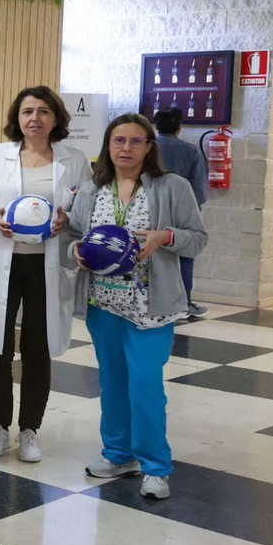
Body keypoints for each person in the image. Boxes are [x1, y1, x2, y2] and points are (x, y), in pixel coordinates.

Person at [70, 113, 207, 500]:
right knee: (113, 382)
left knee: (145, 385)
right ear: (108, 146)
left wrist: (166, 237)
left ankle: (156, 467)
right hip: (103, 303)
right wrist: (76, 250)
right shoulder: (92, 189)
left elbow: (197, 238)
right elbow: (73, 235)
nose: (126, 148)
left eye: (135, 141)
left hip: (151, 306)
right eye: (118, 140)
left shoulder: (172, 187)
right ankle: (118, 454)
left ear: (149, 147)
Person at [0, 86, 91, 463]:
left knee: (38, 348)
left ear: (56, 118)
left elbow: (85, 209)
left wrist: (67, 220)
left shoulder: (74, 160)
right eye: (27, 111)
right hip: (3, 261)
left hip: (47, 265)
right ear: (17, 117)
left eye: (43, 111)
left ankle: (29, 429)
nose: (34, 118)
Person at [153, 107, 208, 319]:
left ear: (156, 127)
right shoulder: (191, 151)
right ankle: (184, 304)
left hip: (151, 211)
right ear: (179, 128)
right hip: (182, 213)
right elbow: (199, 190)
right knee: (185, 256)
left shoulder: (148, 148)